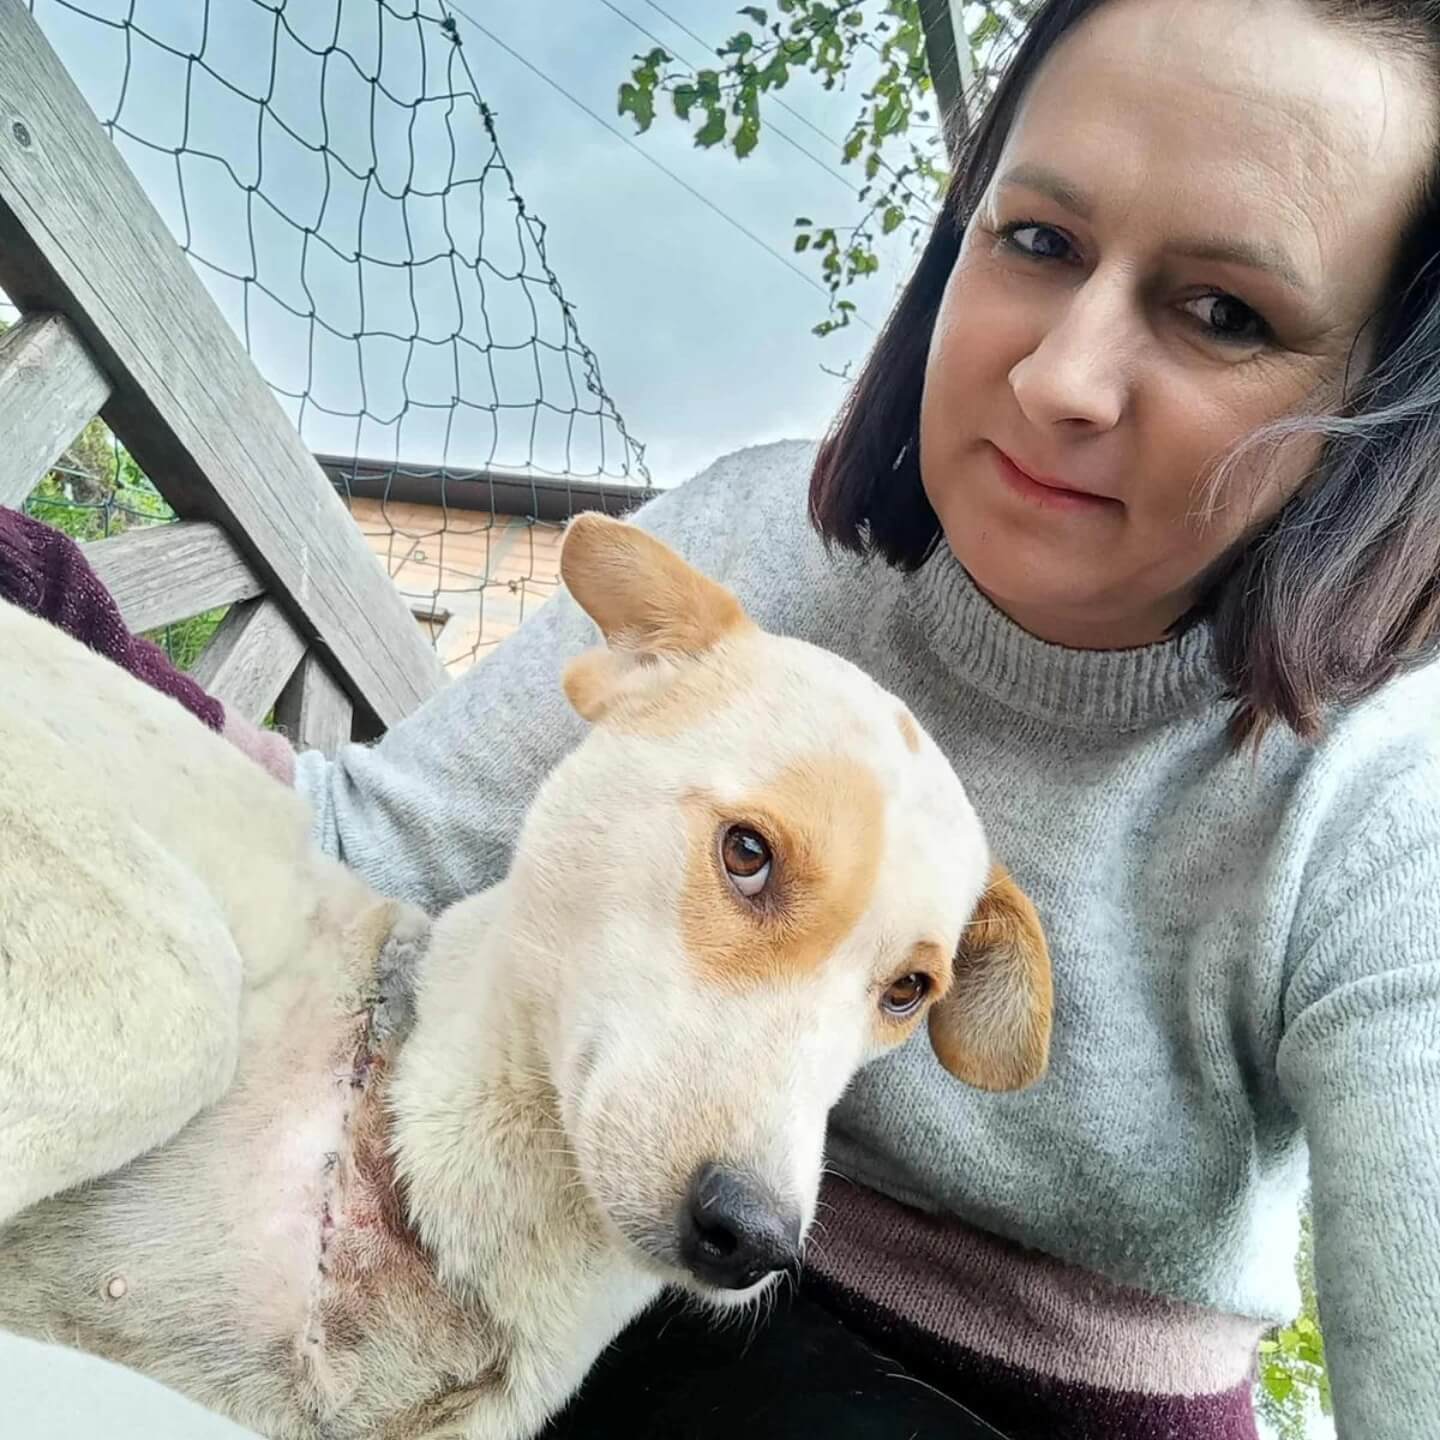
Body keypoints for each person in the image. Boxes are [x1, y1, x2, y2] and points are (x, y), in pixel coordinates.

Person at [22, 0, 1435, 1435]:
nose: (1059, 378)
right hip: (591, 1261)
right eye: (1039, 239)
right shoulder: (762, 544)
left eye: (1224, 314)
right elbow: (366, 836)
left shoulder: (1389, 807)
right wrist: (45, 613)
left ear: (1382, 398)